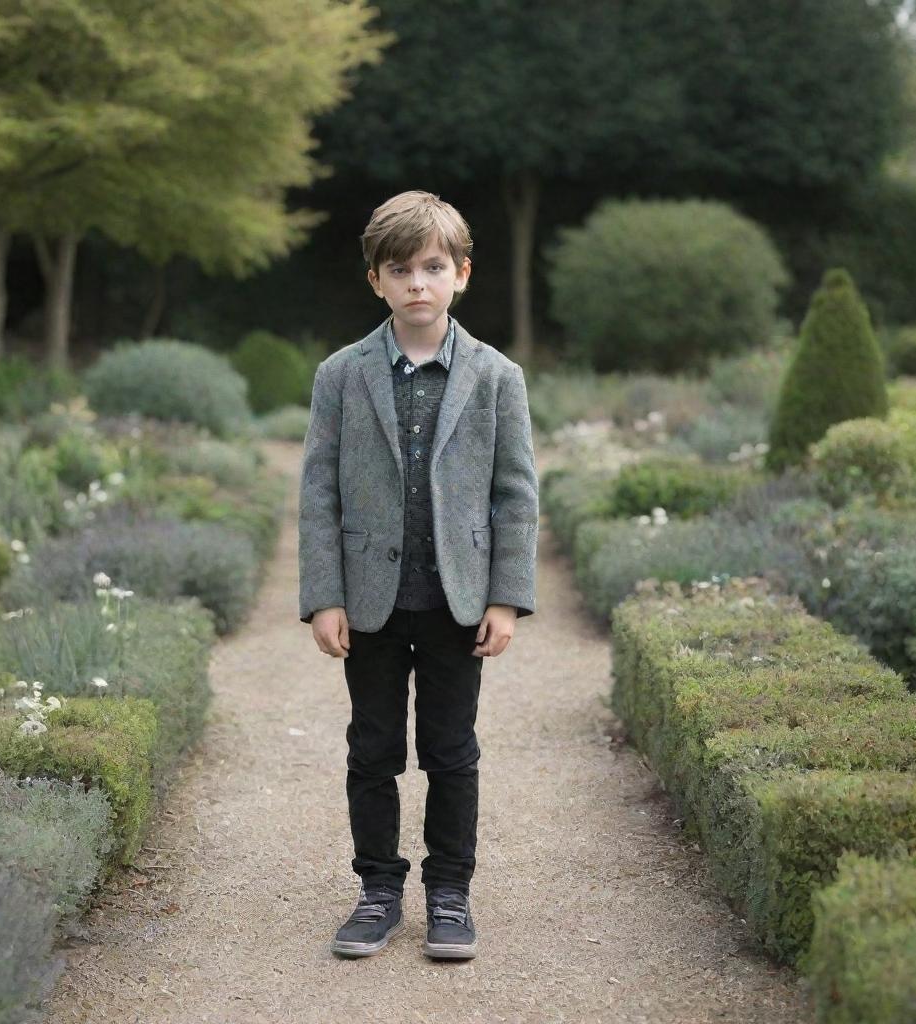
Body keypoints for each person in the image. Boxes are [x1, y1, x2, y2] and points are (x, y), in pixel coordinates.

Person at [298, 190, 539, 960]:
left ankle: (449, 894)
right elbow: (319, 491)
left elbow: (515, 492)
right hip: (368, 600)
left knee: (450, 749)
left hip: (454, 600)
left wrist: (506, 598)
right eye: (399, 269)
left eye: (433, 267)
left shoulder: (498, 377)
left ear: (461, 274)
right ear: (376, 279)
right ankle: (376, 890)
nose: (417, 283)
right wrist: (323, 596)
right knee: (372, 748)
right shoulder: (341, 374)